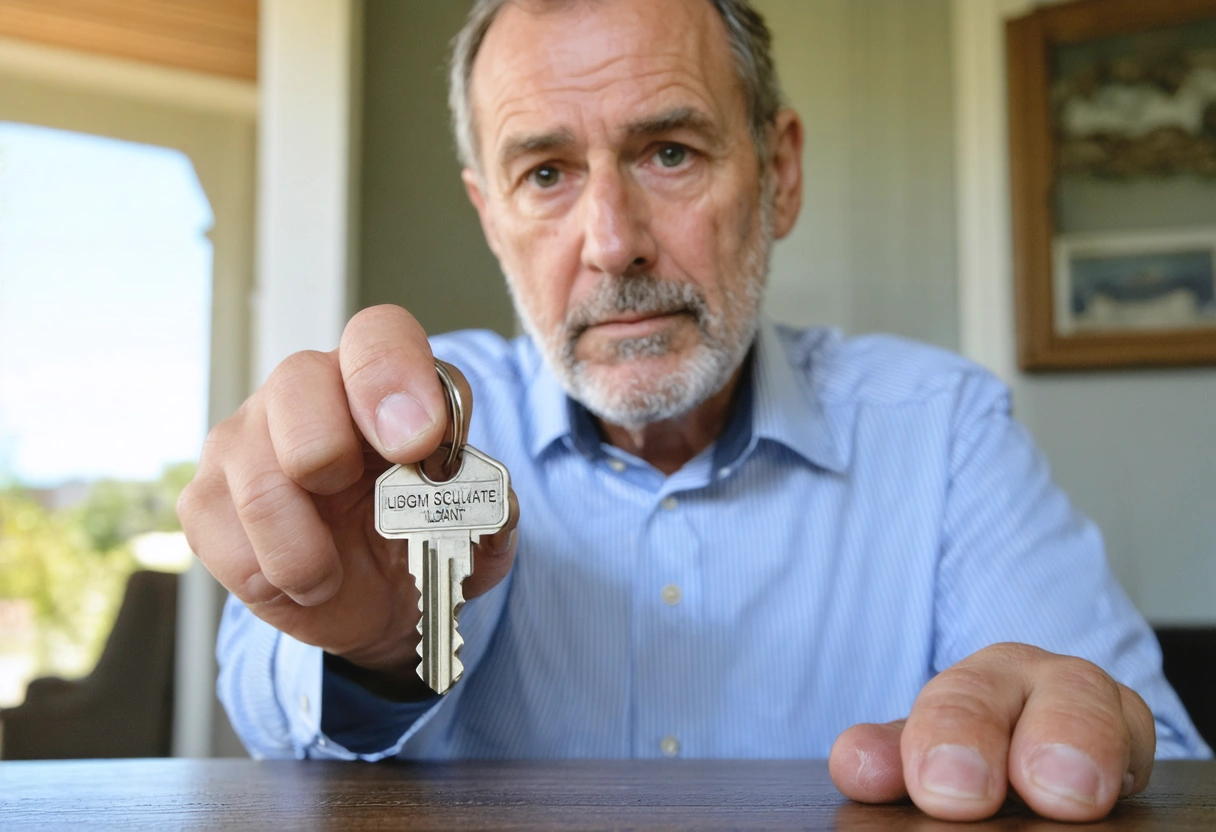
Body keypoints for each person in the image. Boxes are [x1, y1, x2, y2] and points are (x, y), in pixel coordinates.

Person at [178, 0, 1210, 822]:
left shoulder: (942, 428)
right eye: (546, 173)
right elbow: (272, 720)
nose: (612, 242)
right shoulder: (409, 435)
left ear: (779, 174)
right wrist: (375, 652)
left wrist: (1066, 729)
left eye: (669, 151)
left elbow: (1153, 765)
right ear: (492, 218)